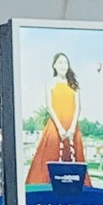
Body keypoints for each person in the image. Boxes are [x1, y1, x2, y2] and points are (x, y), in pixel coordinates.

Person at [24, 51, 86, 188]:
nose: (63, 65)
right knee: (50, 155)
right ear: (54, 65)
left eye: (65, 62)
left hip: (72, 126)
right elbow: (50, 107)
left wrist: (71, 128)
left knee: (75, 157)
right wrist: (60, 128)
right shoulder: (50, 83)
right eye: (60, 62)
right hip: (55, 125)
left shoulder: (73, 84)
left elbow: (77, 107)